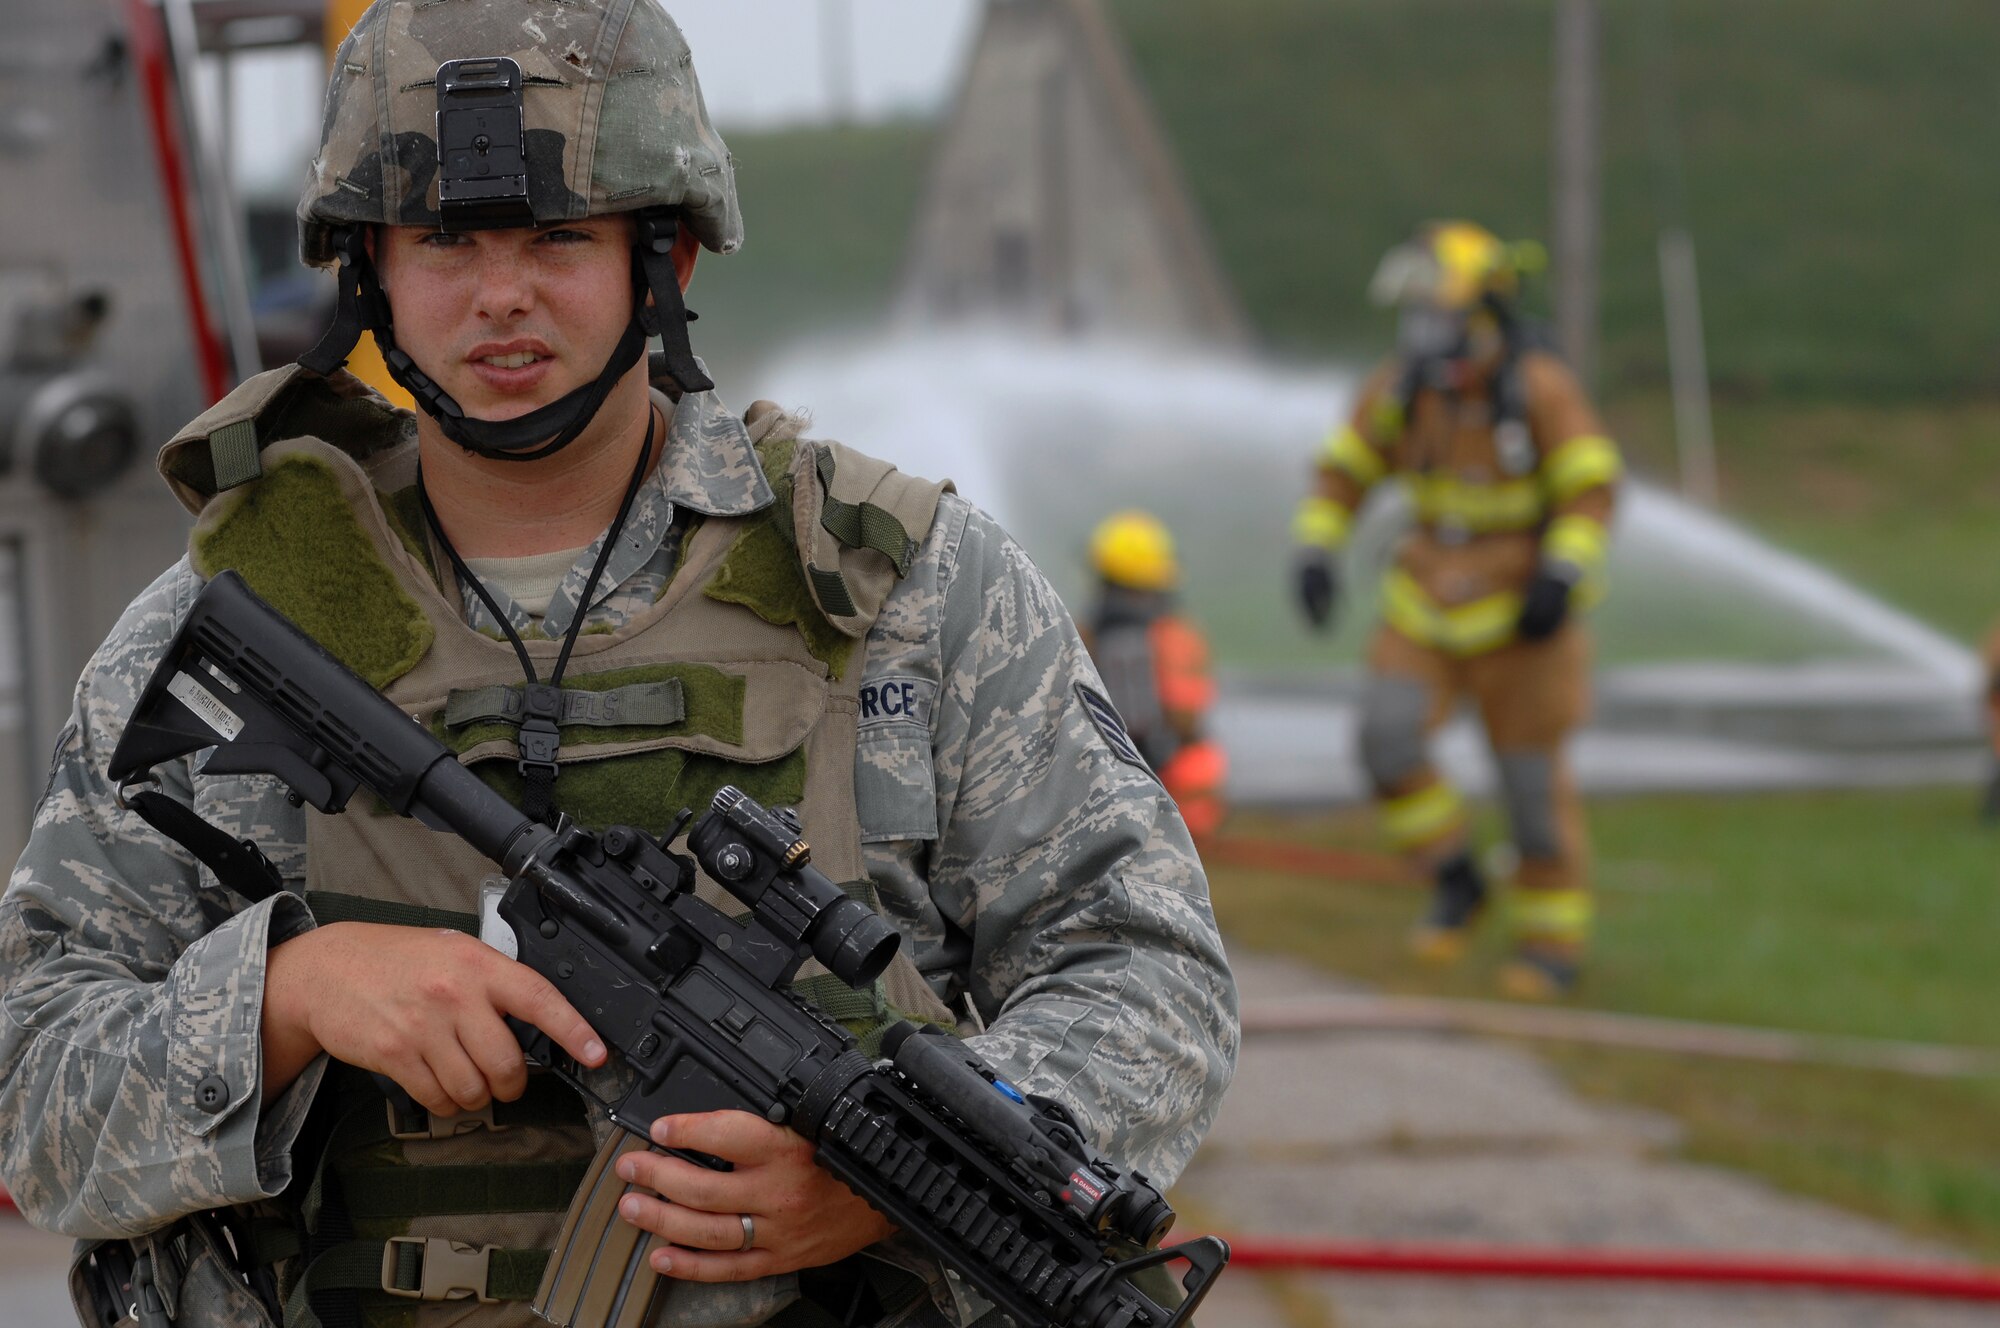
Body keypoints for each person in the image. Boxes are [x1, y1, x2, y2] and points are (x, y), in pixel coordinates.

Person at [0, 4, 1238, 1326]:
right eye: (446, 239)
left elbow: (1145, 966)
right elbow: (33, 1095)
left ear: (669, 259)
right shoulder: (242, 606)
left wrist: (894, 1181)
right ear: (370, 269)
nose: (500, 294)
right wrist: (285, 998)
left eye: (559, 237)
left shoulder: (905, 589)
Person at [1288, 220, 1622, 999]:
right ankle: (1457, 878)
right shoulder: (1402, 389)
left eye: (1439, 320)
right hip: (1425, 600)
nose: (1423, 337)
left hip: (1522, 620)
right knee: (1386, 741)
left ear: (1483, 320)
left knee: (1532, 788)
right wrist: (1315, 550)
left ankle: (1551, 945)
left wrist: (1561, 574)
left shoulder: (1539, 388)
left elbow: (1590, 485)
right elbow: (1345, 471)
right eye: (1416, 320)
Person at [1080, 512, 1228, 840]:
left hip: (1109, 785)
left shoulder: (1083, 635)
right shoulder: (1178, 635)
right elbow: (1188, 718)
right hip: (1169, 790)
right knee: (1200, 763)